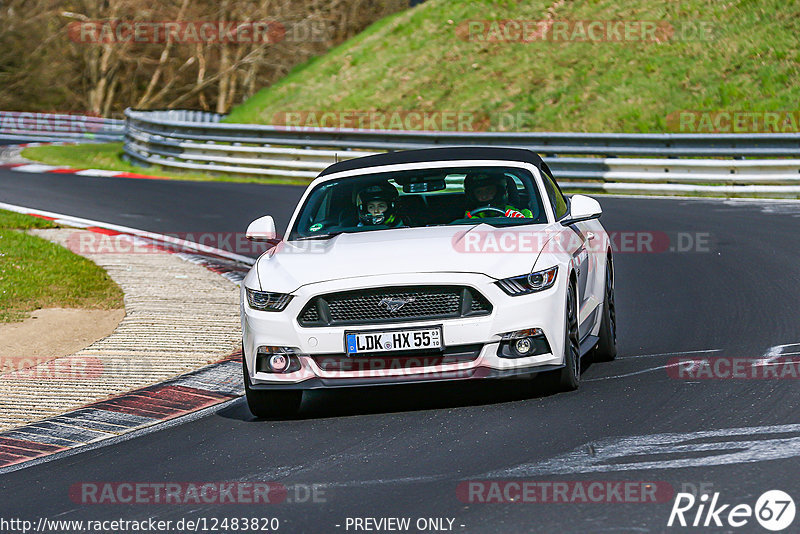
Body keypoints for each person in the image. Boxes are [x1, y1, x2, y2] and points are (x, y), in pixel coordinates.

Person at [464, 173, 532, 219]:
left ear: (499, 191)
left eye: (488, 191)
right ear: (472, 195)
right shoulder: (470, 216)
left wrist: (520, 221)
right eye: (479, 192)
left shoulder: (520, 213)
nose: (484, 196)